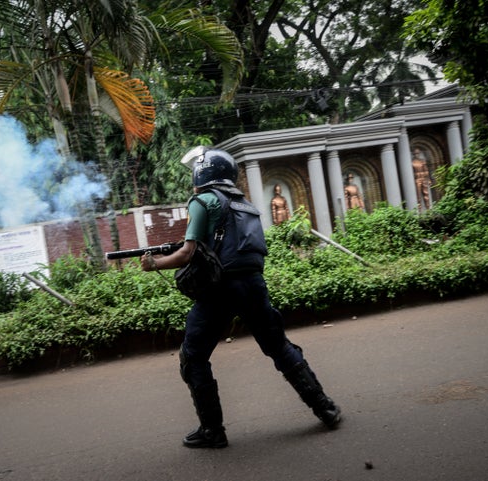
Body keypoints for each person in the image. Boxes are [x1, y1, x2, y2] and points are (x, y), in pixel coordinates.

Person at [140, 146, 341, 449]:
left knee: (193, 357)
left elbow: (188, 252)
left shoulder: (202, 200)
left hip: (220, 289)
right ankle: (325, 408)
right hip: (254, 284)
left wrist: (154, 264)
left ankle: (212, 431)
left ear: (202, 173)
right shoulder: (243, 203)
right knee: (279, 347)